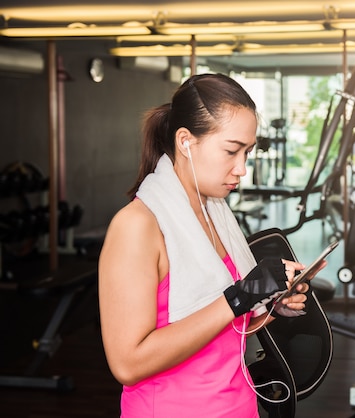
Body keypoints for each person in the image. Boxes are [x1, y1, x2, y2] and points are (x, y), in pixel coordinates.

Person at [98, 73, 320, 418]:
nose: (242, 168)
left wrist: (271, 305)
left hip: (238, 406)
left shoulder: (214, 212)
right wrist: (240, 296)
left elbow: (221, 331)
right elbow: (128, 364)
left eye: (247, 152)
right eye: (231, 151)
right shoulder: (136, 227)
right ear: (186, 141)